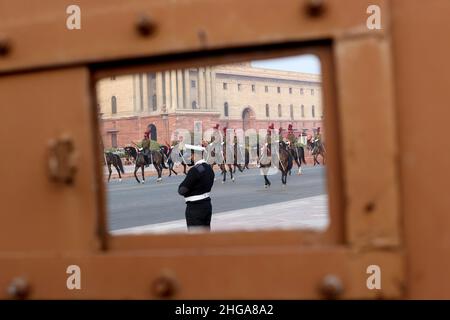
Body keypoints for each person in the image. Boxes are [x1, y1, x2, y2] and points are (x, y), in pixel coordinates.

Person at [178, 156, 215, 231]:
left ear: (194, 155)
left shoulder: (195, 170)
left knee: (195, 238)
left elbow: (182, 190)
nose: (188, 159)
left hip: (195, 208)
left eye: (189, 156)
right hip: (207, 204)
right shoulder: (209, 167)